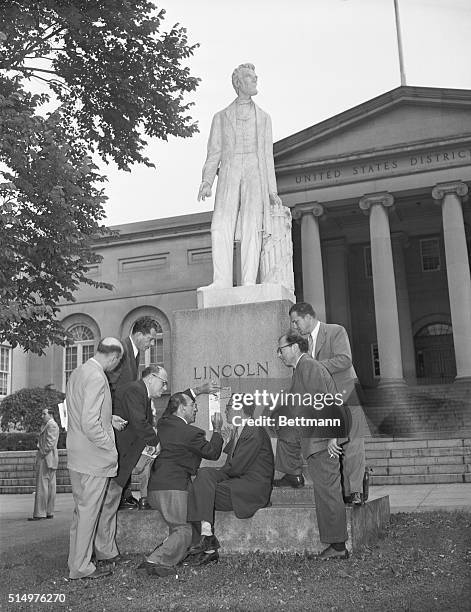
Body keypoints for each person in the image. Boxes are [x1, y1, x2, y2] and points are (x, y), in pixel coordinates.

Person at [197, 63, 285, 288]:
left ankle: (248, 281)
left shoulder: (264, 117)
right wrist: (207, 181)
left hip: (255, 171)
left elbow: (267, 155)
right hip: (229, 169)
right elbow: (214, 151)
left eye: (255, 76)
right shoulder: (221, 117)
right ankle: (221, 280)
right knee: (220, 225)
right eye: (250, 77)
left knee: (251, 226)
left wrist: (272, 190)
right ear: (238, 83)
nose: (255, 79)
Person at [276, 331, 349, 560]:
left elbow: (327, 401)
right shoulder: (301, 369)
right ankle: (292, 472)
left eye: (281, 349)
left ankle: (338, 548)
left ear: (296, 347)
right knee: (325, 493)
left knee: (328, 494)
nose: (279, 354)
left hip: (323, 443)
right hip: (314, 441)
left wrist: (332, 438)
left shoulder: (309, 366)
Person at [288, 302, 370, 504]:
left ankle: (357, 491)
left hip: (346, 395)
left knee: (353, 444)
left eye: (296, 321)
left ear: (308, 316)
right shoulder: (303, 344)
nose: (294, 327)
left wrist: (313, 365)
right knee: (331, 447)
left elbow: (345, 360)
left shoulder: (335, 331)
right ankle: (342, 491)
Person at [138, 392, 224, 578]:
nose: (196, 408)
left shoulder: (163, 423)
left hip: (155, 488)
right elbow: (212, 452)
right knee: (183, 530)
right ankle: (154, 560)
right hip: (174, 488)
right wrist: (217, 430)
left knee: (182, 526)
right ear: (182, 407)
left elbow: (174, 401)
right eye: (193, 405)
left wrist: (199, 389)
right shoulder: (191, 433)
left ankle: (180, 555)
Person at [186, 394, 274, 566]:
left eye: (229, 407)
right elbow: (232, 465)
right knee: (203, 476)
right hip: (238, 482)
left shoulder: (253, 430)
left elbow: (236, 468)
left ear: (240, 410)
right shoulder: (240, 430)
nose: (226, 411)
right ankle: (207, 537)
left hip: (251, 489)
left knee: (198, 489)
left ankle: (208, 544)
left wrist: (212, 478)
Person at [66, 337, 125, 580]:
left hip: (76, 453)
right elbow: (90, 424)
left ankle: (76, 562)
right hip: (93, 457)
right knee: (89, 512)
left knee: (81, 512)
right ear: (113, 357)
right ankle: (81, 568)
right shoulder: (98, 376)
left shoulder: (78, 372)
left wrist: (108, 418)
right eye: (117, 362)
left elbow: (81, 411)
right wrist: (109, 446)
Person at [107, 316, 160, 509]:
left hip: (124, 423)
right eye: (150, 339)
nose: (152, 344)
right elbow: (106, 385)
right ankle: (120, 497)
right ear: (139, 334)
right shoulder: (121, 350)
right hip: (117, 421)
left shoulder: (133, 352)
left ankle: (124, 494)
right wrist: (108, 415)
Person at [27, 408, 60, 521]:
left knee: (43, 486)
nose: (42, 416)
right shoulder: (50, 425)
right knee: (50, 486)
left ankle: (41, 513)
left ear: (50, 414)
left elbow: (49, 443)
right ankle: (48, 511)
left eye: (44, 414)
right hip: (49, 459)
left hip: (46, 458)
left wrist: (41, 453)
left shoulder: (51, 425)